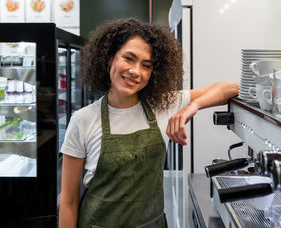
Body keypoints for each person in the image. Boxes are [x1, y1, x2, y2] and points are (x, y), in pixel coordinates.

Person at [59, 18, 239, 228]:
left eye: (146, 65)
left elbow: (230, 88)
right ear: (109, 58)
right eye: (129, 58)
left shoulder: (163, 105)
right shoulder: (83, 120)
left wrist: (192, 106)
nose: (136, 71)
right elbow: (69, 201)